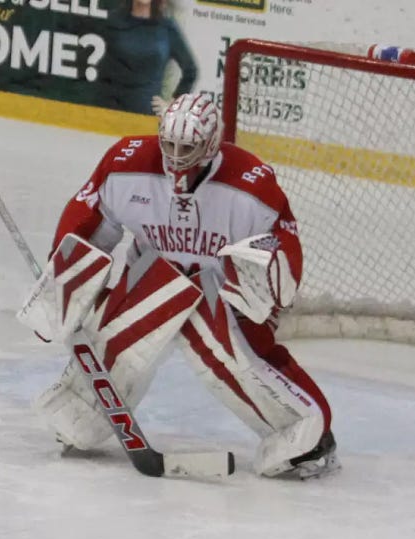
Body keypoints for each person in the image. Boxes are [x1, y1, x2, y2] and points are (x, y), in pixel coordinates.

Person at [34, 92, 338, 478]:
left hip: (218, 289)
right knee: (118, 338)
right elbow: (89, 225)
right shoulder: (126, 165)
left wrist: (266, 285)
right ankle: (84, 410)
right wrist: (65, 282)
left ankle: (304, 433)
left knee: (234, 360)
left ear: (211, 145)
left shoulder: (250, 187)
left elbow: (281, 246)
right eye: (170, 144)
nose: (176, 155)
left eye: (188, 147)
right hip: (151, 275)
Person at [94, 0, 198, 116]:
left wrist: (172, 105)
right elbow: (102, 72)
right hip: (111, 114)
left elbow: (191, 70)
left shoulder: (166, 27)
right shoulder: (113, 21)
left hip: (147, 118)